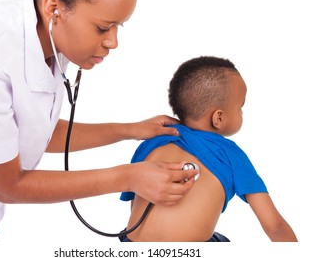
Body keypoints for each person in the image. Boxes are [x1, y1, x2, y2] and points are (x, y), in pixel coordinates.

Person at [0, 0, 200, 242]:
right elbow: (7, 185)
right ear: (53, 6)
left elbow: (32, 131)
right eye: (103, 27)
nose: (113, 42)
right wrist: (128, 177)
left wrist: (130, 130)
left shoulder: (50, 36)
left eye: (119, 27)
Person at [120, 56, 298, 242]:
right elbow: (274, 226)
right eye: (240, 107)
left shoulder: (150, 142)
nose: (242, 112)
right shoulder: (230, 153)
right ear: (218, 118)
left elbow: (135, 211)